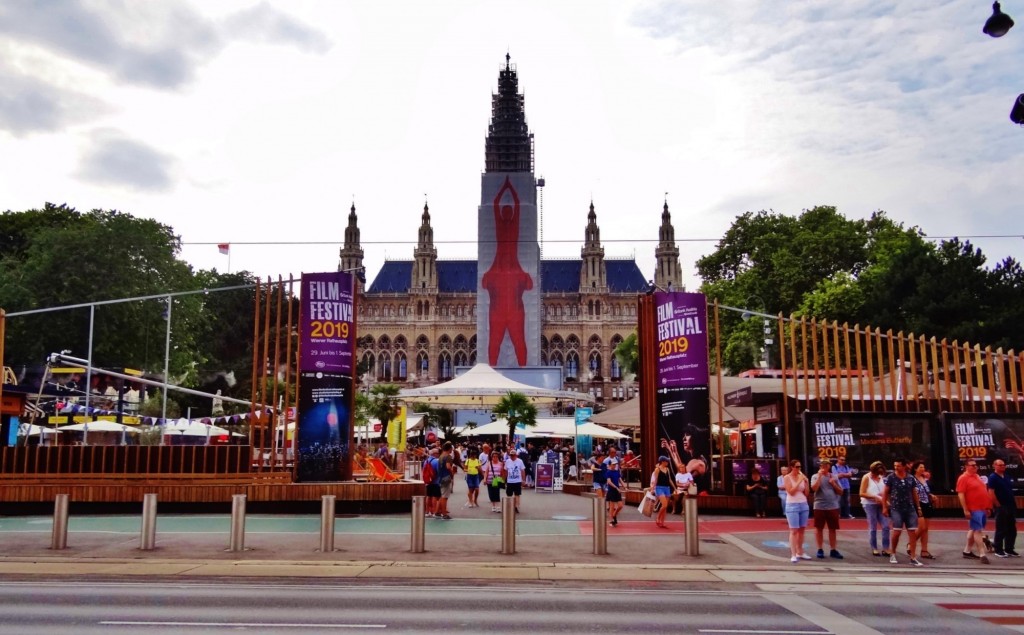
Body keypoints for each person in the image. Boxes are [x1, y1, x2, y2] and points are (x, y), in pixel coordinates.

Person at [882, 458, 922, 566]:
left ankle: (913, 557)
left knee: (912, 533)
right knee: (897, 532)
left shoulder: (910, 478)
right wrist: (885, 507)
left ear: (904, 466)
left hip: (910, 508)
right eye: (895, 466)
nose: (896, 468)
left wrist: (918, 506)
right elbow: (885, 492)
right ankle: (893, 553)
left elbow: (914, 492)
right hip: (896, 508)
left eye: (898, 466)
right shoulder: (891, 477)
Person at [957, 459, 991, 563]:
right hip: (973, 508)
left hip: (982, 508)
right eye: (972, 465)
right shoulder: (963, 478)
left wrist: (987, 507)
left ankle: (967, 551)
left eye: (976, 465)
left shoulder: (977, 476)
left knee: (973, 529)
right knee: (977, 530)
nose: (975, 467)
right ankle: (982, 554)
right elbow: (961, 494)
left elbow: (983, 492)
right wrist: (965, 509)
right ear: (966, 467)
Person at [810, 460, 844, 559]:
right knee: (819, 528)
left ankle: (833, 549)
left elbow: (841, 492)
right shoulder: (815, 476)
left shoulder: (834, 476)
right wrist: (820, 477)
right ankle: (820, 549)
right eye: (822, 465)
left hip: (832, 505)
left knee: (832, 528)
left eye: (826, 465)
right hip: (819, 505)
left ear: (829, 466)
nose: (824, 466)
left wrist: (833, 484)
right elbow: (814, 488)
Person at [988, 458, 1019, 558]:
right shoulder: (993, 477)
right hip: (1001, 506)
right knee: (1001, 529)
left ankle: (1009, 549)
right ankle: (998, 549)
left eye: (1003, 465)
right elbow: (991, 492)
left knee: (1012, 529)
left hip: (1010, 506)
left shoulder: (1006, 476)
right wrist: (997, 505)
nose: (1002, 466)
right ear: (994, 466)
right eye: (1000, 465)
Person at [859, 460, 891, 557]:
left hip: (881, 504)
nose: (879, 474)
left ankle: (886, 548)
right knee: (873, 526)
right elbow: (862, 493)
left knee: (886, 526)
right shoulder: (866, 477)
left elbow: (885, 491)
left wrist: (885, 499)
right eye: (877, 472)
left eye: (880, 473)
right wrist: (874, 497)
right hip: (869, 504)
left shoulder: (882, 477)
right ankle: (874, 548)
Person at [783, 459, 811, 563]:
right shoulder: (787, 477)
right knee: (794, 530)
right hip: (792, 505)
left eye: (800, 467)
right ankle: (793, 554)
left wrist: (806, 482)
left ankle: (800, 551)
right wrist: (799, 480)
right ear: (792, 467)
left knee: (802, 530)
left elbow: (807, 493)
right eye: (797, 467)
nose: (799, 469)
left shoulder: (801, 477)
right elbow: (791, 492)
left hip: (803, 504)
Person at [910, 461, 935, 559]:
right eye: (920, 467)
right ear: (915, 469)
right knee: (921, 527)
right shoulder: (912, 479)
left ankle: (924, 550)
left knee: (925, 529)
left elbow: (927, 491)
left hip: (927, 504)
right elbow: (913, 492)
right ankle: (910, 544)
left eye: (923, 467)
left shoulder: (925, 479)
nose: (922, 469)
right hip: (918, 504)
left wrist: (931, 496)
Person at [435, 443, 456, 520]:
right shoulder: (448, 457)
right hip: (446, 477)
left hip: (440, 477)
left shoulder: (441, 456)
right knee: (445, 497)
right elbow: (448, 466)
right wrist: (452, 472)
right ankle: (444, 514)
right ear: (449, 448)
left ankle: (437, 511)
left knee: (442, 495)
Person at [651, 455, 674, 528]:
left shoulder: (667, 469)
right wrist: (652, 489)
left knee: (665, 507)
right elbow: (655, 480)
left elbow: (669, 479)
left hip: (667, 488)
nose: (667, 462)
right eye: (666, 461)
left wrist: (675, 488)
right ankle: (658, 518)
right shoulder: (657, 469)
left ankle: (662, 522)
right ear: (662, 462)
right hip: (659, 488)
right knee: (664, 505)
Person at [604, 447, 624, 526]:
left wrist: (624, 487)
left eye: (615, 464)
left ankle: (614, 515)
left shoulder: (616, 471)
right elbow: (609, 481)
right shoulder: (608, 471)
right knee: (611, 506)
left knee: (620, 506)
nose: (615, 465)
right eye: (613, 464)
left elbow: (620, 479)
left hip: (617, 489)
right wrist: (616, 487)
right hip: (611, 489)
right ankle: (611, 520)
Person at [504, 447, 526, 513]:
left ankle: (516, 506)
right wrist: (505, 480)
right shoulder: (507, 461)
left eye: (513, 455)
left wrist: (523, 480)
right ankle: (509, 506)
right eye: (511, 455)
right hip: (510, 481)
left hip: (517, 481)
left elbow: (523, 470)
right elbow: (506, 471)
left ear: (516, 455)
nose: (512, 456)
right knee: (509, 494)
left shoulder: (520, 461)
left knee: (517, 494)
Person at [423, 447, 441, 518]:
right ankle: (434, 511)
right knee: (435, 496)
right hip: (436, 481)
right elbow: (438, 472)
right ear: (435, 454)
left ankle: (427, 511)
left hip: (428, 481)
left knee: (428, 496)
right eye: (437, 453)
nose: (438, 454)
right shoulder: (436, 461)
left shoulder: (426, 461)